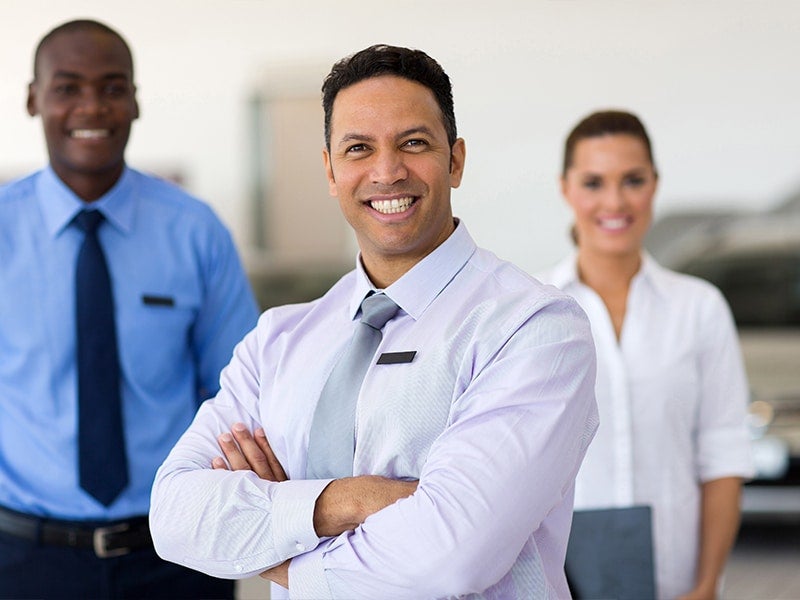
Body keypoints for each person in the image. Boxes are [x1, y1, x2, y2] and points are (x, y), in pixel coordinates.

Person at [150, 44, 599, 599]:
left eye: (413, 143)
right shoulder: (279, 340)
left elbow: (451, 555)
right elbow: (173, 515)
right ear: (331, 171)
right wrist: (349, 500)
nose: (387, 171)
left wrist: (282, 548)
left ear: (455, 160)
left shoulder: (534, 328)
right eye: (359, 148)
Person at [0, 19, 259, 599]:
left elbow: (240, 393)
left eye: (113, 87)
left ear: (136, 102)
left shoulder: (195, 231)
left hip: (176, 552)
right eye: (67, 87)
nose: (92, 106)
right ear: (32, 98)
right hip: (23, 563)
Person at [537, 110, 754, 599]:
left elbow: (722, 455)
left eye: (632, 180)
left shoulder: (699, 309)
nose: (614, 201)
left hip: (676, 581)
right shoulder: (532, 309)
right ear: (566, 188)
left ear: (654, 184)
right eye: (594, 182)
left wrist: (706, 586)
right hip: (557, 582)